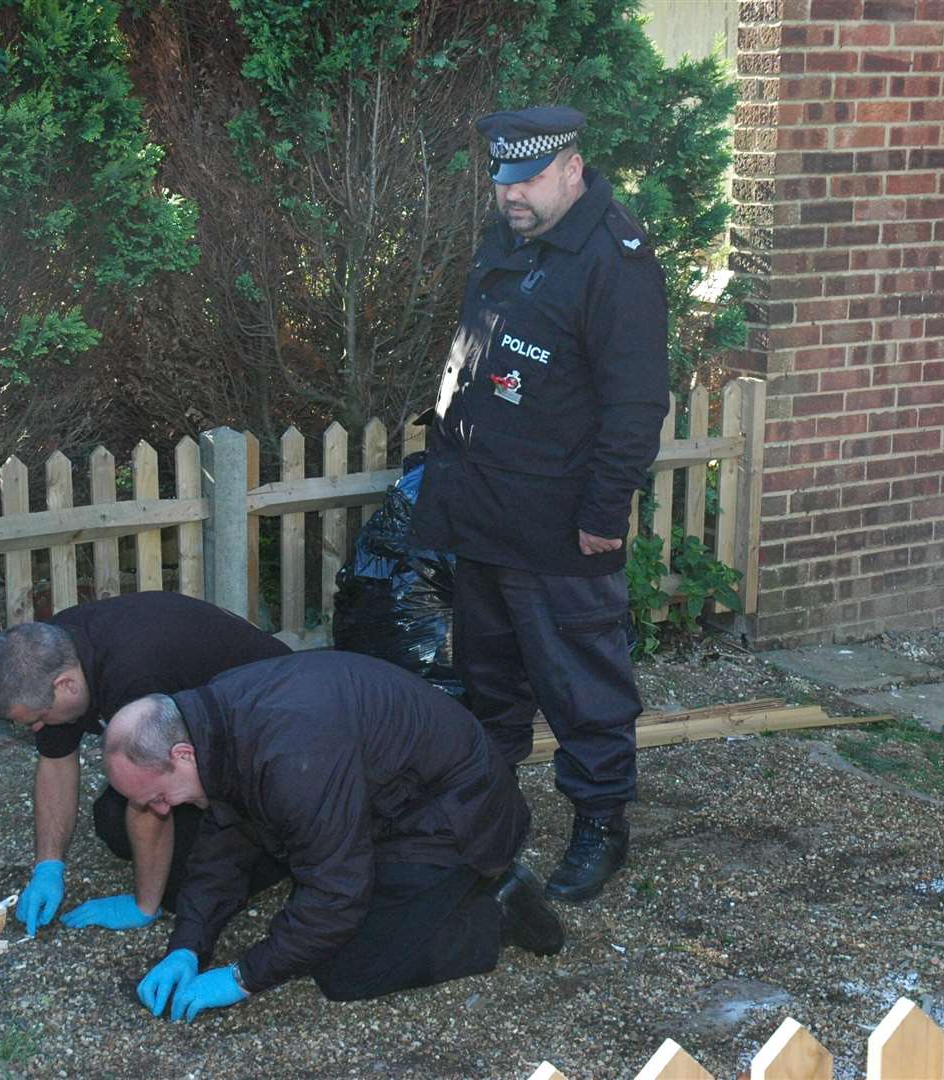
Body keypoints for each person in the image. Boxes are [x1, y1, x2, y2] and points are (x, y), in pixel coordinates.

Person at [410, 105, 670, 903]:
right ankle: (486, 820)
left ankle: (600, 827)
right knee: (488, 687)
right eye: (500, 180)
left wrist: (603, 514)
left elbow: (634, 405)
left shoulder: (613, 260)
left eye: (525, 180)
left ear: (570, 167)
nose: (510, 195)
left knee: (583, 687)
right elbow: (477, 352)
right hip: (483, 510)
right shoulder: (510, 239)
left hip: (560, 526)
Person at [105, 651, 564, 1023]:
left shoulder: (291, 757)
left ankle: (498, 910)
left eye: (160, 796)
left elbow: (336, 896)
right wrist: (188, 944)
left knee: (346, 968)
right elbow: (226, 834)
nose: (161, 811)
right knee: (300, 904)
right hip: (388, 800)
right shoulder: (213, 718)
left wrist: (242, 977)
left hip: (459, 817)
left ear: (181, 754)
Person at [0, 591, 291, 936]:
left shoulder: (133, 676)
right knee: (113, 820)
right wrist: (48, 867)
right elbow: (55, 763)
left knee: (181, 886)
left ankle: (281, 855)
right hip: (195, 743)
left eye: (38, 719)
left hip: (274, 742)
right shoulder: (48, 654)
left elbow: (151, 792)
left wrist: (144, 905)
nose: (37, 729)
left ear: (65, 685)